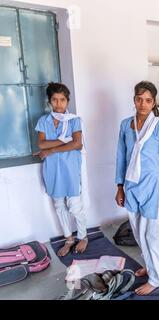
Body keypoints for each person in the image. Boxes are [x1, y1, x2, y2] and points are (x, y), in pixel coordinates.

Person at [115, 81, 159, 295]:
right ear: (134, 100)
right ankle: (150, 266)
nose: (143, 104)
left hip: (153, 187)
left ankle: (157, 278)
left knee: (155, 234)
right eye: (139, 99)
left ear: (154, 103)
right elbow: (121, 158)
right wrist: (120, 187)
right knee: (139, 232)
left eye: (148, 100)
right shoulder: (126, 125)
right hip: (132, 186)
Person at [34, 82, 88, 257]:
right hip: (52, 170)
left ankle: (83, 236)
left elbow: (78, 144)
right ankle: (69, 238)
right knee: (59, 205)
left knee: (75, 206)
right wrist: (66, 141)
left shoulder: (74, 120)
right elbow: (41, 143)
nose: (58, 104)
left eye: (62, 100)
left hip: (70, 168)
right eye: (55, 100)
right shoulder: (44, 121)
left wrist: (49, 150)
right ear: (50, 101)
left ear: (67, 101)